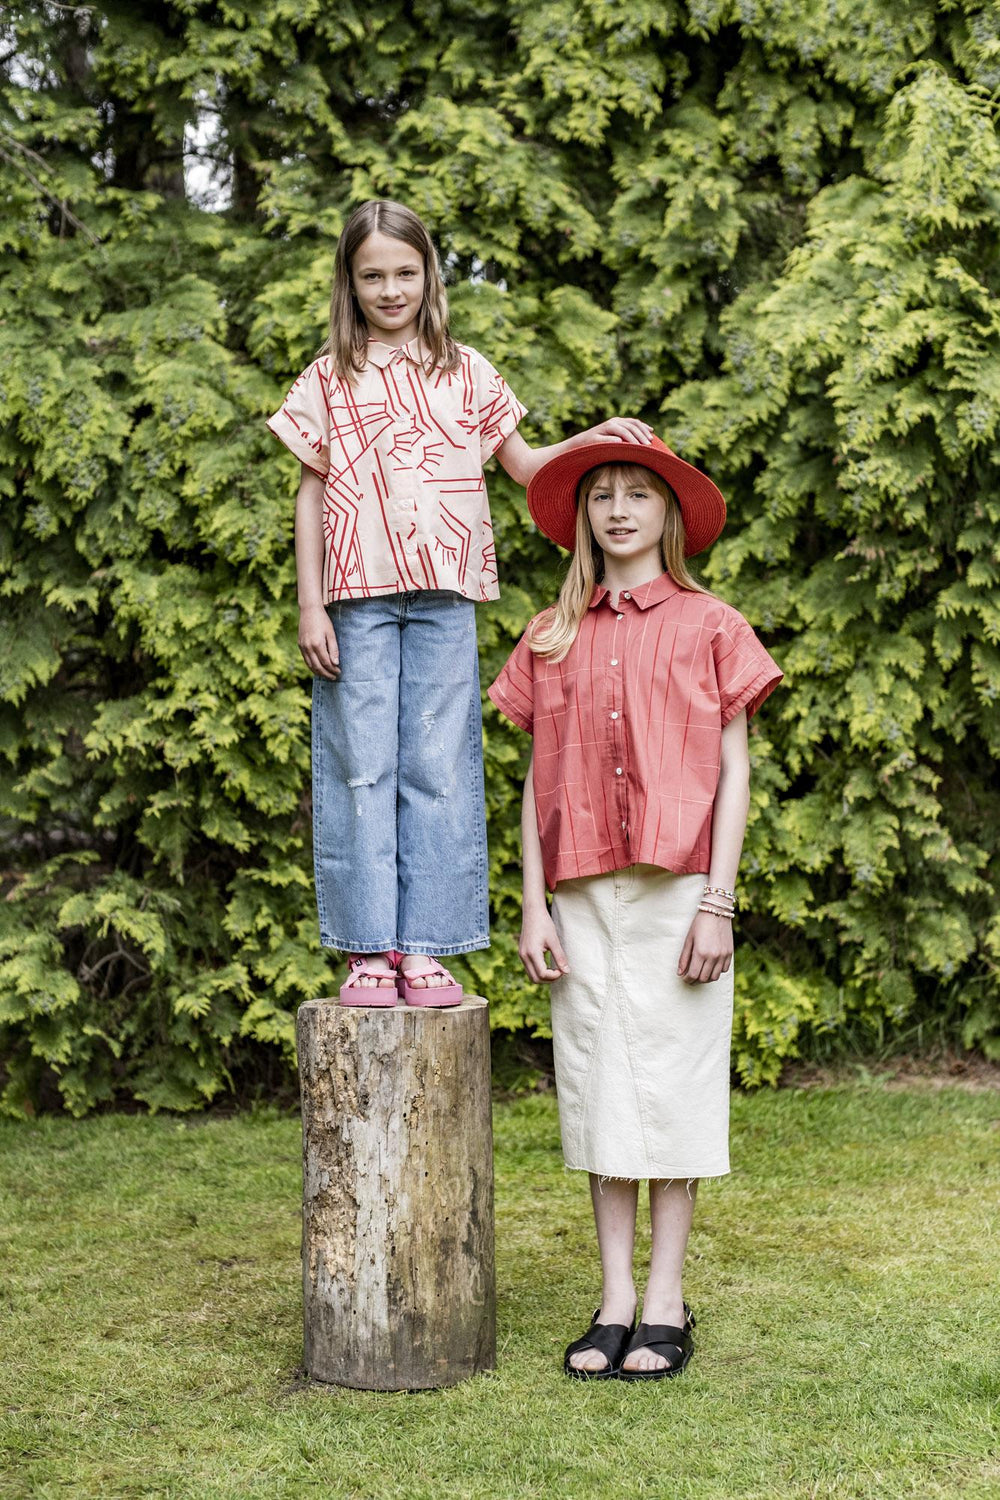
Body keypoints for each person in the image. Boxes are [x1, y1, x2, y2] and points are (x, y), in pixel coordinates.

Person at [266, 198, 653, 1006]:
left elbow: (524, 464)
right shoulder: (329, 377)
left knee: (438, 767)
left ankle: (428, 949)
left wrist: (595, 439)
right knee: (361, 768)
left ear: (428, 275)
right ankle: (369, 952)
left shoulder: (467, 371)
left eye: (405, 272)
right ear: (350, 281)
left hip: (445, 599)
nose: (391, 289)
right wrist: (311, 605)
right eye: (372, 275)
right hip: (356, 600)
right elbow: (309, 493)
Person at [488, 435, 783, 1378]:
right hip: (578, 893)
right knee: (600, 1085)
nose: (618, 509)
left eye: (637, 495)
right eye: (602, 495)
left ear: (667, 514)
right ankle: (614, 1298)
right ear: (584, 516)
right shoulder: (549, 634)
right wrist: (532, 906)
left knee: (675, 1084)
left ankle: (666, 1298)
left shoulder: (711, 625)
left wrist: (719, 905)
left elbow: (734, 773)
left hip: (680, 890)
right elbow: (535, 781)